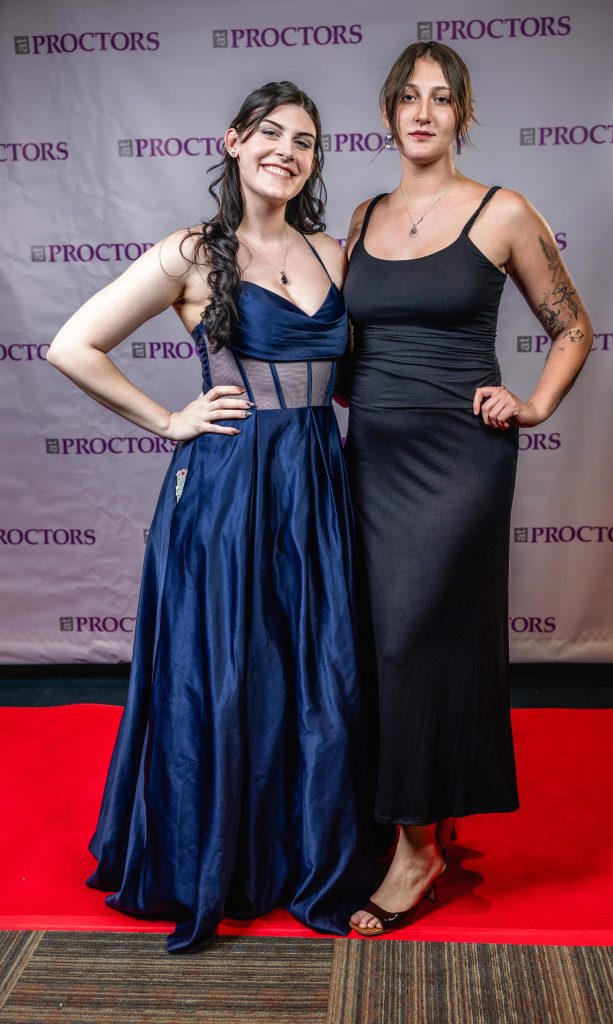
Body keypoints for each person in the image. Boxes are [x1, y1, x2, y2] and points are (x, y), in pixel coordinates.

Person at [47, 81, 375, 953]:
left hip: (317, 479)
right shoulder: (192, 251)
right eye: (270, 133)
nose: (286, 152)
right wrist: (166, 420)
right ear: (233, 142)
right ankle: (217, 862)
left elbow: (363, 369)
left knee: (318, 671)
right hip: (229, 488)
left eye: (304, 141)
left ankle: (306, 857)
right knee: (227, 670)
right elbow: (72, 345)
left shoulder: (333, 253)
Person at [343, 41, 593, 936]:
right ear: (386, 113)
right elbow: (346, 341)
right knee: (384, 644)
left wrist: (533, 403)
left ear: (463, 115)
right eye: (408, 97)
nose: (423, 112)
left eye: (440, 98)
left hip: (459, 461)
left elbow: (573, 327)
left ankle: (415, 852)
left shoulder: (502, 211)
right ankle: (425, 810)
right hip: (369, 460)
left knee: (411, 639)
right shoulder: (362, 217)